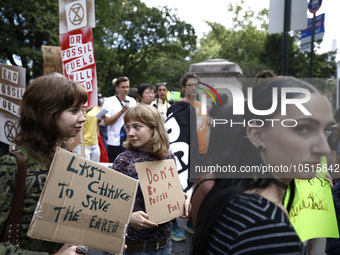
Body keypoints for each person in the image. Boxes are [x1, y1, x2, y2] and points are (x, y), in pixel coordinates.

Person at [191, 76, 334, 254]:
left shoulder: (237, 200)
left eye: (326, 130)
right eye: (303, 128)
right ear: (257, 135)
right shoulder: (266, 225)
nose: (324, 148)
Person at [0, 75, 88, 255]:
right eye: (74, 111)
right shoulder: (12, 165)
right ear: (47, 113)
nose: (83, 118)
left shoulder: (68, 160)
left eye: (83, 110)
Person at [112, 104, 186, 254]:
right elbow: (109, 203)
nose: (131, 133)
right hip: (135, 246)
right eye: (128, 127)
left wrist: (185, 198)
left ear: (154, 128)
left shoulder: (167, 156)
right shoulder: (123, 160)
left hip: (165, 243)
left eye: (137, 127)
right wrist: (129, 218)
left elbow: (173, 190)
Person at [102, 76, 137, 162]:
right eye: (123, 87)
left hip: (130, 141)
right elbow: (106, 122)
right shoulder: (109, 101)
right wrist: (121, 112)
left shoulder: (132, 101)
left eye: (127, 87)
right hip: (114, 142)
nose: (126, 89)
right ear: (117, 88)